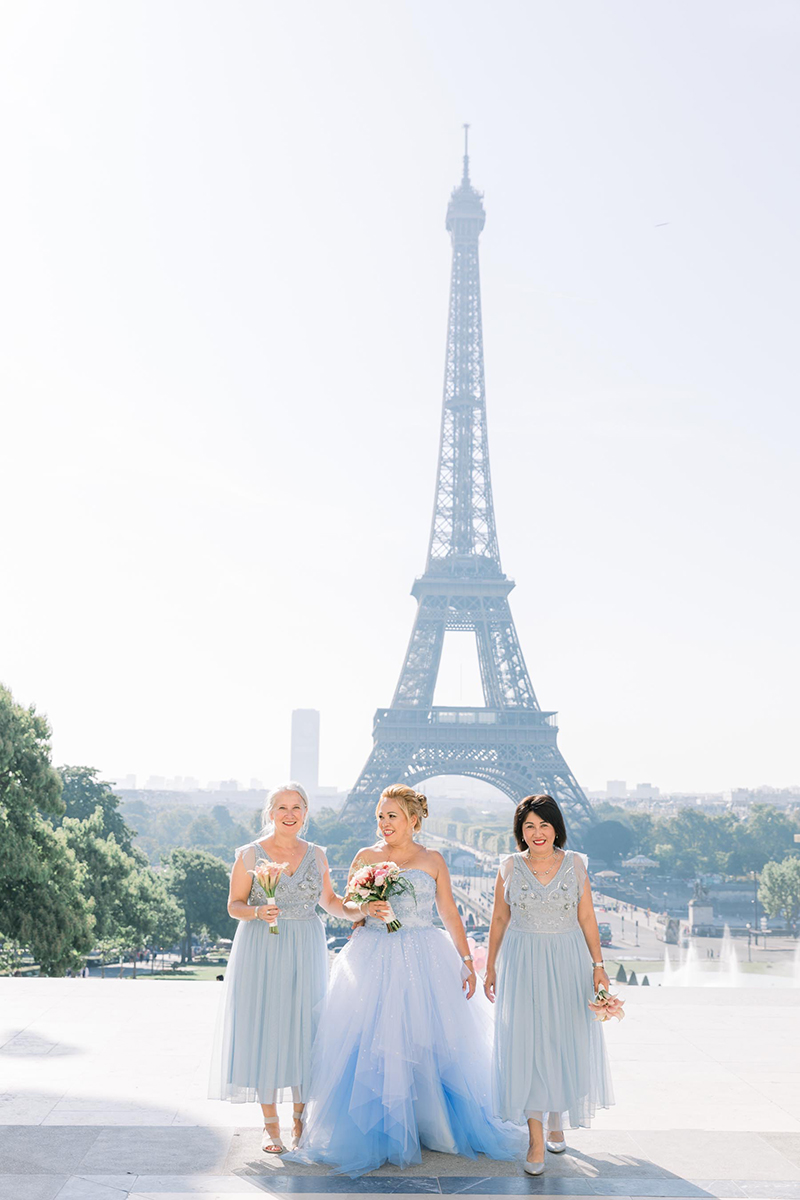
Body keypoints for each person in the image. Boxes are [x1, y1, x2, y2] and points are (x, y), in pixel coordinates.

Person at [289, 784, 524, 1176]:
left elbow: (449, 911)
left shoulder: (433, 859)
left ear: (413, 820)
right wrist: (364, 906)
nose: (384, 823)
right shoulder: (365, 856)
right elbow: (347, 907)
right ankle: (378, 1128)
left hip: (423, 956)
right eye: (380, 816)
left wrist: (467, 960)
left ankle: (427, 1123)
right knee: (372, 1041)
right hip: (373, 953)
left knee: (424, 1039)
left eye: (392, 816)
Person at [209, 782, 359, 1153]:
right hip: (262, 948)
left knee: (305, 1027)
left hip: (306, 946)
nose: (289, 815)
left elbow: (331, 902)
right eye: (282, 808)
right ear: (270, 813)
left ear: (306, 813)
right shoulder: (248, 855)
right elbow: (234, 905)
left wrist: (363, 910)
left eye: (297, 808)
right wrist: (258, 912)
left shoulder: (318, 854)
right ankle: (270, 1124)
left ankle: (300, 1119)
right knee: (266, 1025)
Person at [484, 794, 615, 1176]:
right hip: (522, 960)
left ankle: (557, 1115)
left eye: (544, 825)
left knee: (562, 1038)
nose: (537, 833)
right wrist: (490, 966)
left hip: (567, 959)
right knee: (528, 1042)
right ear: (519, 831)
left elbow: (587, 915)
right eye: (529, 826)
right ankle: (536, 1137)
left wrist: (598, 966)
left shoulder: (575, 864)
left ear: (556, 827)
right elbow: (497, 919)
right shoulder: (508, 866)